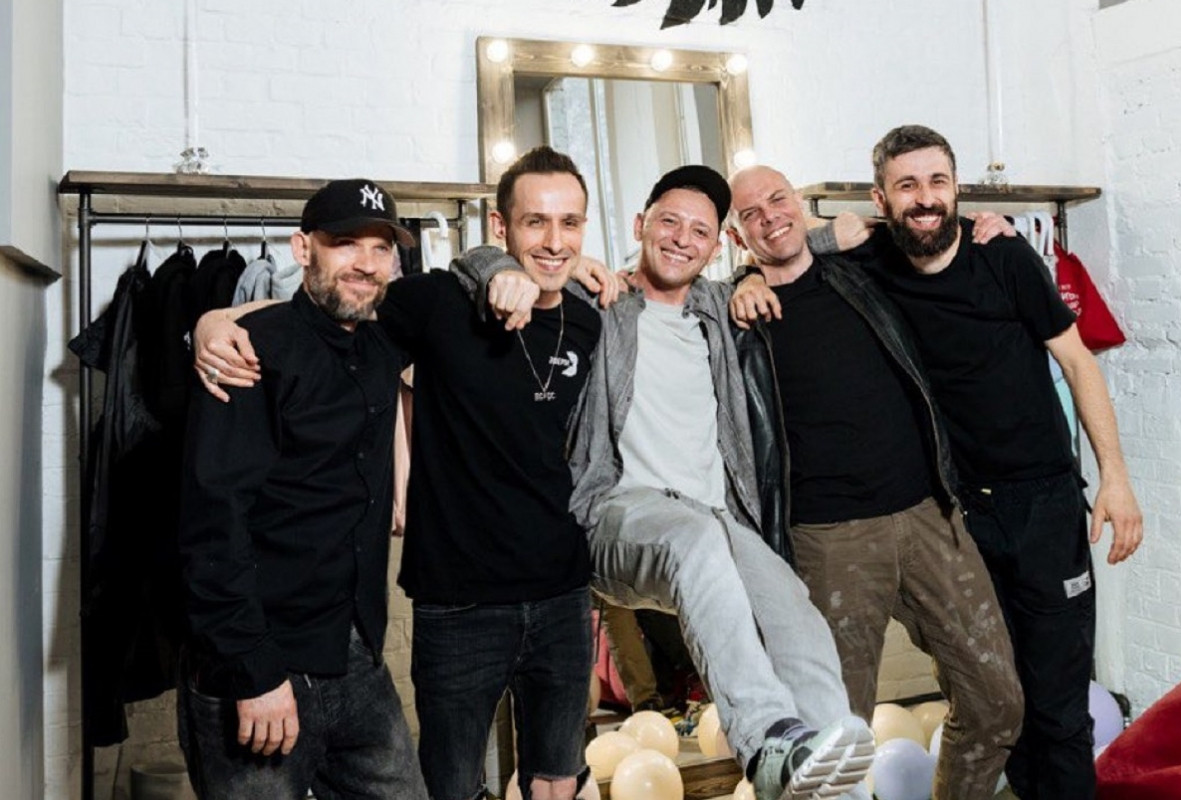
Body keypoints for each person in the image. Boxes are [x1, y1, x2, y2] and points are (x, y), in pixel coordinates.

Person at [193, 147, 613, 800]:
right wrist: (209, 322)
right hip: (411, 616)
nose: (554, 241)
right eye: (535, 221)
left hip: (505, 608)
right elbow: (320, 317)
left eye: (570, 223)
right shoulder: (421, 307)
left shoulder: (583, 322)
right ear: (500, 227)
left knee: (540, 778)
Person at [457, 165, 874, 800]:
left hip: (716, 518)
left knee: (792, 605)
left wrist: (813, 242)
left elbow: (778, 252)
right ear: (640, 226)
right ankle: (766, 741)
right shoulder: (600, 302)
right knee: (693, 541)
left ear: (718, 245)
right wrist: (505, 271)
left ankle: (830, 774)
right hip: (619, 512)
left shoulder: (721, 308)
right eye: (669, 222)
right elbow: (472, 264)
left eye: (700, 231)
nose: (682, 239)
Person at [724, 164, 1023, 800]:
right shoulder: (735, 314)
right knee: (833, 736)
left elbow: (926, 231)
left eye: (778, 199)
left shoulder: (862, 270)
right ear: (735, 233)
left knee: (997, 702)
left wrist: (992, 227)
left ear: (799, 202)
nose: (770, 217)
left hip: (928, 516)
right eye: (751, 213)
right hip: (828, 541)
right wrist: (746, 278)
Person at [863, 125, 1143, 799]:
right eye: (907, 185)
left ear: (956, 187)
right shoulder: (870, 265)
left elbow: (1078, 362)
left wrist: (1116, 478)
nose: (925, 198)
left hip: (1045, 505)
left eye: (937, 181)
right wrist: (753, 274)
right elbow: (787, 253)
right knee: (1002, 704)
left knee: (1060, 708)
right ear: (881, 198)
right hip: (959, 518)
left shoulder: (1005, 255)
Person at [177, 178, 426, 800]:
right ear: (302, 248)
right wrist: (254, 671)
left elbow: (477, 292)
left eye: (381, 248)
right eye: (346, 244)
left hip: (356, 655)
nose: (365, 263)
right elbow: (212, 522)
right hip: (261, 664)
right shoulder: (248, 353)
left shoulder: (383, 343)